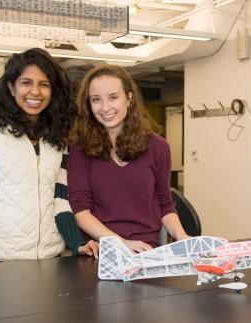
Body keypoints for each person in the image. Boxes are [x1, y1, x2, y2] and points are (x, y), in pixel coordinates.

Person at [0, 48, 98, 274]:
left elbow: (59, 200)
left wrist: (78, 243)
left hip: (51, 259)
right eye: (26, 83)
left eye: (44, 84)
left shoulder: (57, 138)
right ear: (10, 87)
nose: (35, 92)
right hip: (0, 260)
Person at [68, 64, 190, 253]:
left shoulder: (158, 147)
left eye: (113, 97)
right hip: (101, 252)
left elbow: (165, 204)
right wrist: (120, 242)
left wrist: (183, 237)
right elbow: (81, 212)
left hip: (146, 251)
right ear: (89, 104)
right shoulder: (79, 149)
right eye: (96, 100)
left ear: (129, 98)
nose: (105, 107)